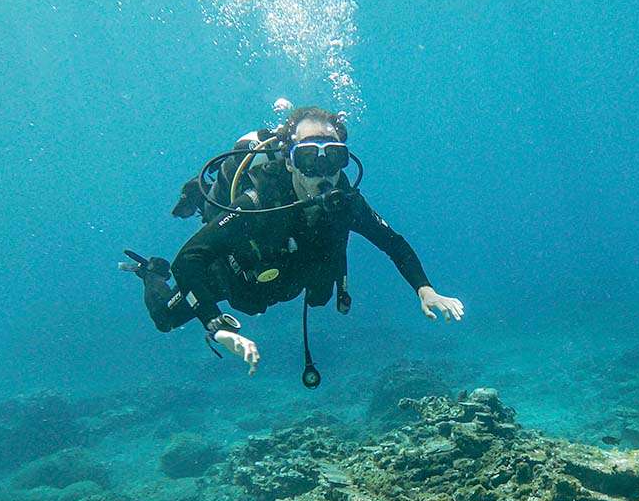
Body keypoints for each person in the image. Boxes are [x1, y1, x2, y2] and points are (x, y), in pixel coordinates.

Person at [121, 106, 464, 380]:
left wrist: (425, 289)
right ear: (289, 160)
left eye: (333, 158)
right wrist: (216, 324)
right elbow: (188, 260)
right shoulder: (258, 202)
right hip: (233, 275)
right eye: (308, 159)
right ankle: (149, 271)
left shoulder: (346, 202)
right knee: (164, 320)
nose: (322, 172)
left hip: (287, 277)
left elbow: (394, 243)